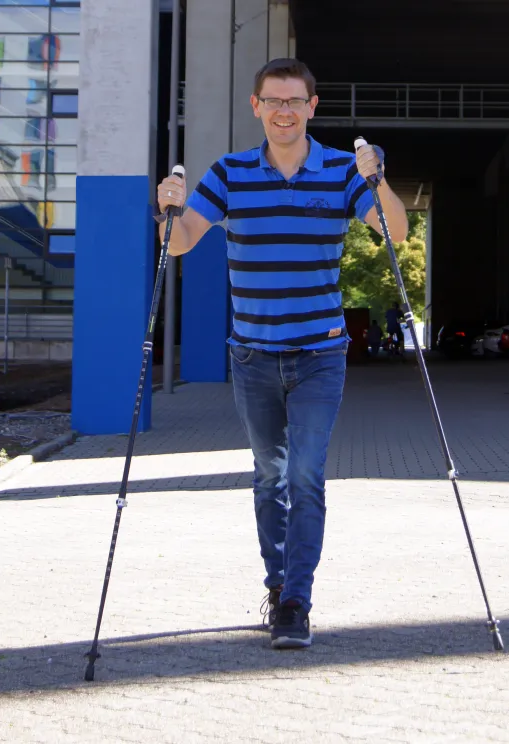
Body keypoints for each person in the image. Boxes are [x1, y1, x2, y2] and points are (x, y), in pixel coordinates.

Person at [156, 58, 408, 649]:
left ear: (312, 107)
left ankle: (296, 601)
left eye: (296, 101)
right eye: (274, 101)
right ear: (256, 106)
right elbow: (183, 242)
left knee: (305, 475)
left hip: (320, 354)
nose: (285, 111)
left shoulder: (342, 173)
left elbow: (394, 231)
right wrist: (166, 207)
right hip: (252, 357)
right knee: (269, 478)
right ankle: (277, 586)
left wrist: (378, 181)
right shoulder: (231, 173)